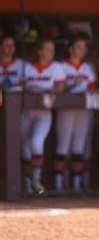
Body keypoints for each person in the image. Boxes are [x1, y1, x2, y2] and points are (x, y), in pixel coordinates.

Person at [21, 39, 66, 194]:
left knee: (36, 143)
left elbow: (59, 90)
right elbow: (18, 88)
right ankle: (26, 183)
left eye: (52, 49)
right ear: (39, 50)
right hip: (26, 112)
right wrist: (28, 88)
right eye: (47, 49)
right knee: (25, 147)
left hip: (44, 113)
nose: (50, 52)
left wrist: (39, 90)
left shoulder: (57, 67)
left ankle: (36, 180)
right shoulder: (26, 67)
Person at [54, 35, 96, 193]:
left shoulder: (88, 68)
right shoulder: (61, 66)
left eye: (84, 47)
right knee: (63, 145)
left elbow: (92, 89)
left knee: (79, 145)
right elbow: (59, 91)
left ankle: (76, 186)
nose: (81, 50)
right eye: (78, 46)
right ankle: (59, 185)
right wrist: (73, 84)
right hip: (66, 110)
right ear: (70, 49)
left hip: (83, 111)